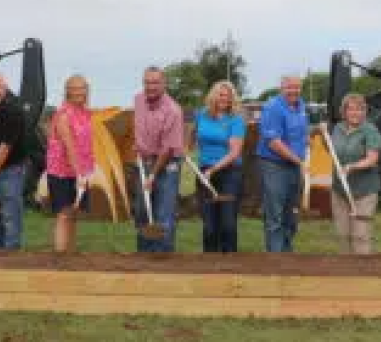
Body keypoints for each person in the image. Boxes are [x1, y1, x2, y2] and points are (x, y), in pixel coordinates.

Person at [132, 67, 185, 253]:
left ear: (164, 84)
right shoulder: (138, 100)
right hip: (143, 161)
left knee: (163, 214)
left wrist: (153, 175)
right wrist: (138, 145)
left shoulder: (173, 111)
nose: (150, 86)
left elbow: (168, 149)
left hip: (167, 164)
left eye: (155, 82)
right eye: (147, 82)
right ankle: (143, 257)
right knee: (142, 212)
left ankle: (163, 260)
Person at [0, 71, 33, 250]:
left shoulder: (13, 110)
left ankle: (11, 257)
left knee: (10, 216)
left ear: (5, 87)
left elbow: (5, 145)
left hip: (10, 170)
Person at [257, 74, 310, 253]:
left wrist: (315, 132)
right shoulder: (273, 107)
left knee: (291, 213)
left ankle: (287, 253)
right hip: (275, 166)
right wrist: (299, 161)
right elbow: (274, 143)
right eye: (289, 87)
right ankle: (275, 258)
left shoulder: (301, 106)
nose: (293, 91)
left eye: (296, 87)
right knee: (275, 215)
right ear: (281, 88)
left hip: (294, 166)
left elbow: (302, 134)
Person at [192, 80, 246, 253]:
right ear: (213, 96)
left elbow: (235, 152)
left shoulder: (236, 120)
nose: (225, 99)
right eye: (221, 95)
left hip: (230, 174)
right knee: (209, 227)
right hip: (205, 173)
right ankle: (210, 266)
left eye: (229, 97)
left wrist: (213, 169)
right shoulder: (201, 115)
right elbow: (195, 137)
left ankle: (230, 264)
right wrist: (188, 151)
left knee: (227, 224)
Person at [46, 75, 95, 253]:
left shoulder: (87, 114)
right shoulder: (63, 115)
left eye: (82, 88)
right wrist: (79, 175)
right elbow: (70, 147)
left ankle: (70, 255)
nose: (79, 92)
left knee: (74, 215)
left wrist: (85, 172)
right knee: (64, 214)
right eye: (74, 88)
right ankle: (60, 257)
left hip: (80, 171)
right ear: (67, 91)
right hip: (61, 172)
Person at [329, 93, 381, 254]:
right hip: (340, 191)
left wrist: (352, 166)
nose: (355, 113)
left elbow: (372, 159)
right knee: (342, 235)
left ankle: (362, 273)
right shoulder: (337, 128)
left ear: (364, 112)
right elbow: (332, 149)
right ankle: (345, 274)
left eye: (359, 109)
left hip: (363, 192)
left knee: (360, 236)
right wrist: (318, 131)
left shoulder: (370, 130)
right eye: (351, 109)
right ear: (344, 112)